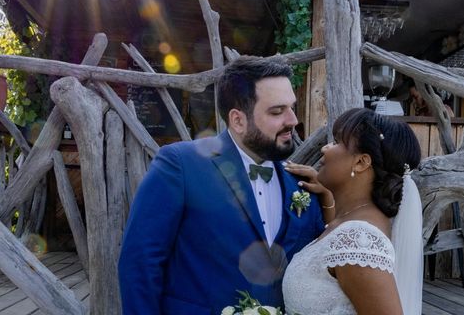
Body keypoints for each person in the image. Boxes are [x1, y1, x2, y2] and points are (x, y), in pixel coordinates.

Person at [118, 56, 329, 314]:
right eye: (277, 111)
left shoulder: (300, 186)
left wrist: (329, 198)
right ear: (238, 120)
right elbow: (140, 263)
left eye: (292, 108)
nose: (293, 120)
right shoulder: (181, 165)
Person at [282, 107, 423, 315]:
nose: (325, 149)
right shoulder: (351, 225)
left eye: (337, 141)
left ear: (361, 162)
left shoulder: (359, 239)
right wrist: (328, 196)